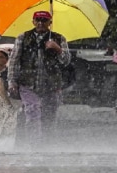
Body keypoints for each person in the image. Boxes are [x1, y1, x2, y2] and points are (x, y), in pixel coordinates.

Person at [7, 11, 71, 150]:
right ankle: (34, 144)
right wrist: (12, 81)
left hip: (51, 84)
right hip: (28, 83)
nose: (41, 23)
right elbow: (14, 61)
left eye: (44, 20)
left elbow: (66, 61)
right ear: (33, 21)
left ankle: (47, 144)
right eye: (38, 20)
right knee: (32, 112)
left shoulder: (59, 38)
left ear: (50, 22)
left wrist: (57, 49)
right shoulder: (23, 37)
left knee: (49, 116)